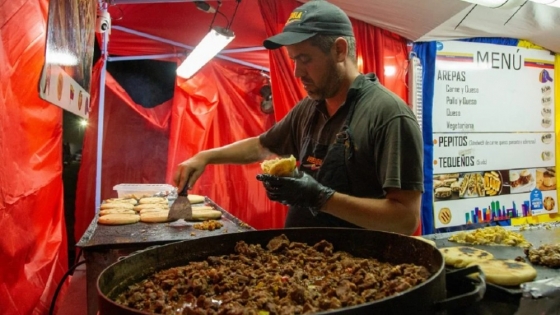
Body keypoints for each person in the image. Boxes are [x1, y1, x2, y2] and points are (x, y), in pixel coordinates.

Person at [173, 0, 423, 235]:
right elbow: (262, 146)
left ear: (339, 49)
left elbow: (405, 219)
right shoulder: (310, 108)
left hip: (357, 273)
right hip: (300, 261)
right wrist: (206, 157)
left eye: (305, 59)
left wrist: (320, 198)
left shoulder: (388, 115)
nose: (296, 72)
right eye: (293, 60)